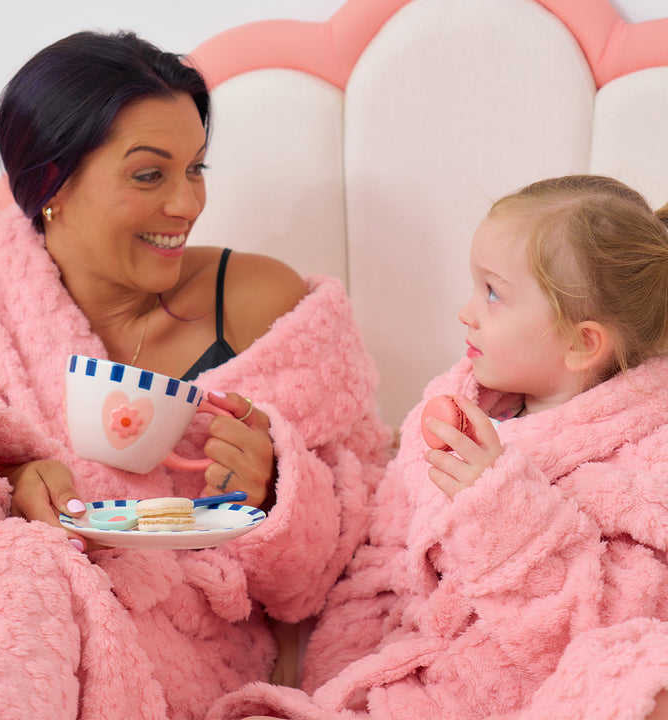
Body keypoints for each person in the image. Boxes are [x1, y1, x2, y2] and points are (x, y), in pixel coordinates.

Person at [0, 31, 393, 718]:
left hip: (181, 637)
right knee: (21, 565)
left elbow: (365, 523)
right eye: (151, 175)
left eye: (196, 169)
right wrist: (4, 474)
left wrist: (278, 487)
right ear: (47, 186)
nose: (186, 204)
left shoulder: (257, 305)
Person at [206, 175, 668, 720]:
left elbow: (612, 628)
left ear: (580, 342)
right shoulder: (457, 407)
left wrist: (503, 512)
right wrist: (277, 485)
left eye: (493, 293)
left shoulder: (645, 461)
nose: (466, 312)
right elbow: (375, 552)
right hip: (402, 685)